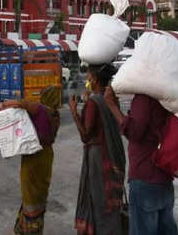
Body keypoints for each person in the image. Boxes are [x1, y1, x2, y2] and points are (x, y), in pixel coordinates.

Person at [104, 79, 178, 235]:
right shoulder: (167, 95)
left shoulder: (144, 98)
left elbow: (134, 132)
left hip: (145, 180)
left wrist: (112, 106)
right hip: (164, 178)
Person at [0, 86, 61, 235]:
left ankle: (30, 229)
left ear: (46, 96)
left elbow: (20, 103)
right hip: (46, 157)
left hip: (34, 157)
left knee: (30, 195)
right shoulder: (55, 114)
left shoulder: (41, 109)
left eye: (43, 93)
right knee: (39, 195)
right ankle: (30, 227)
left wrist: (1, 106)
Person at [69, 64, 126, 235]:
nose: (87, 79)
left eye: (88, 76)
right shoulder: (110, 98)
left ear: (94, 79)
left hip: (98, 159)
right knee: (109, 200)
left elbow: (85, 136)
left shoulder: (94, 102)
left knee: (99, 200)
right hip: (112, 155)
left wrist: (74, 111)